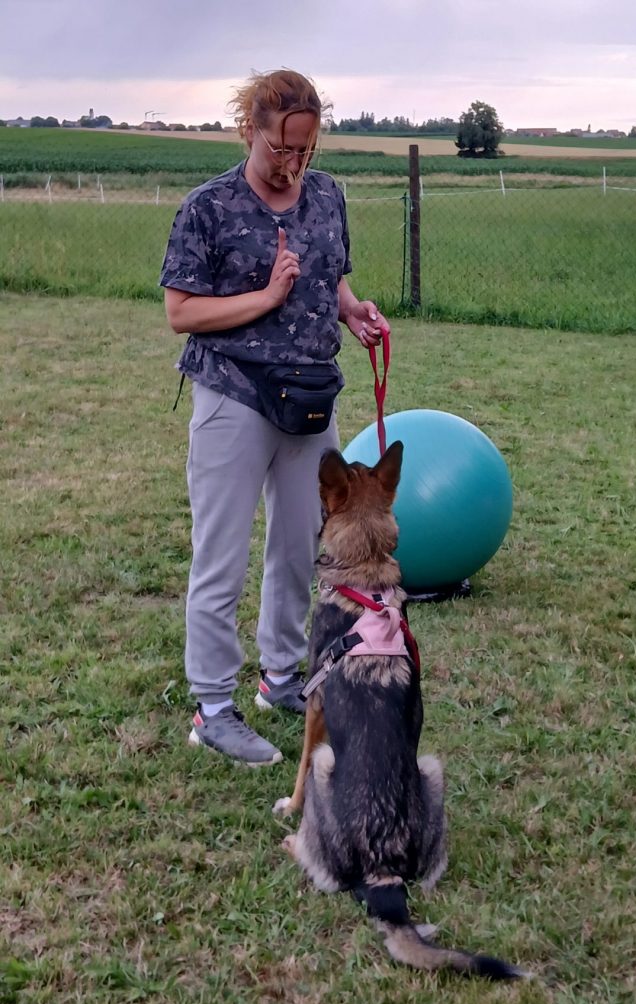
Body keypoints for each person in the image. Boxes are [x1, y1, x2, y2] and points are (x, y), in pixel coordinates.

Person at [160, 69, 390, 766]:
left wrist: (353, 311)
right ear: (250, 130)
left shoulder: (327, 195)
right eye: (281, 148)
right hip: (234, 394)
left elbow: (330, 275)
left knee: (300, 550)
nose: (293, 163)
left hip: (310, 397)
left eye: (305, 149)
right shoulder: (209, 207)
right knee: (221, 557)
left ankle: (280, 679)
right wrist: (264, 298)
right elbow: (181, 312)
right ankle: (212, 709)